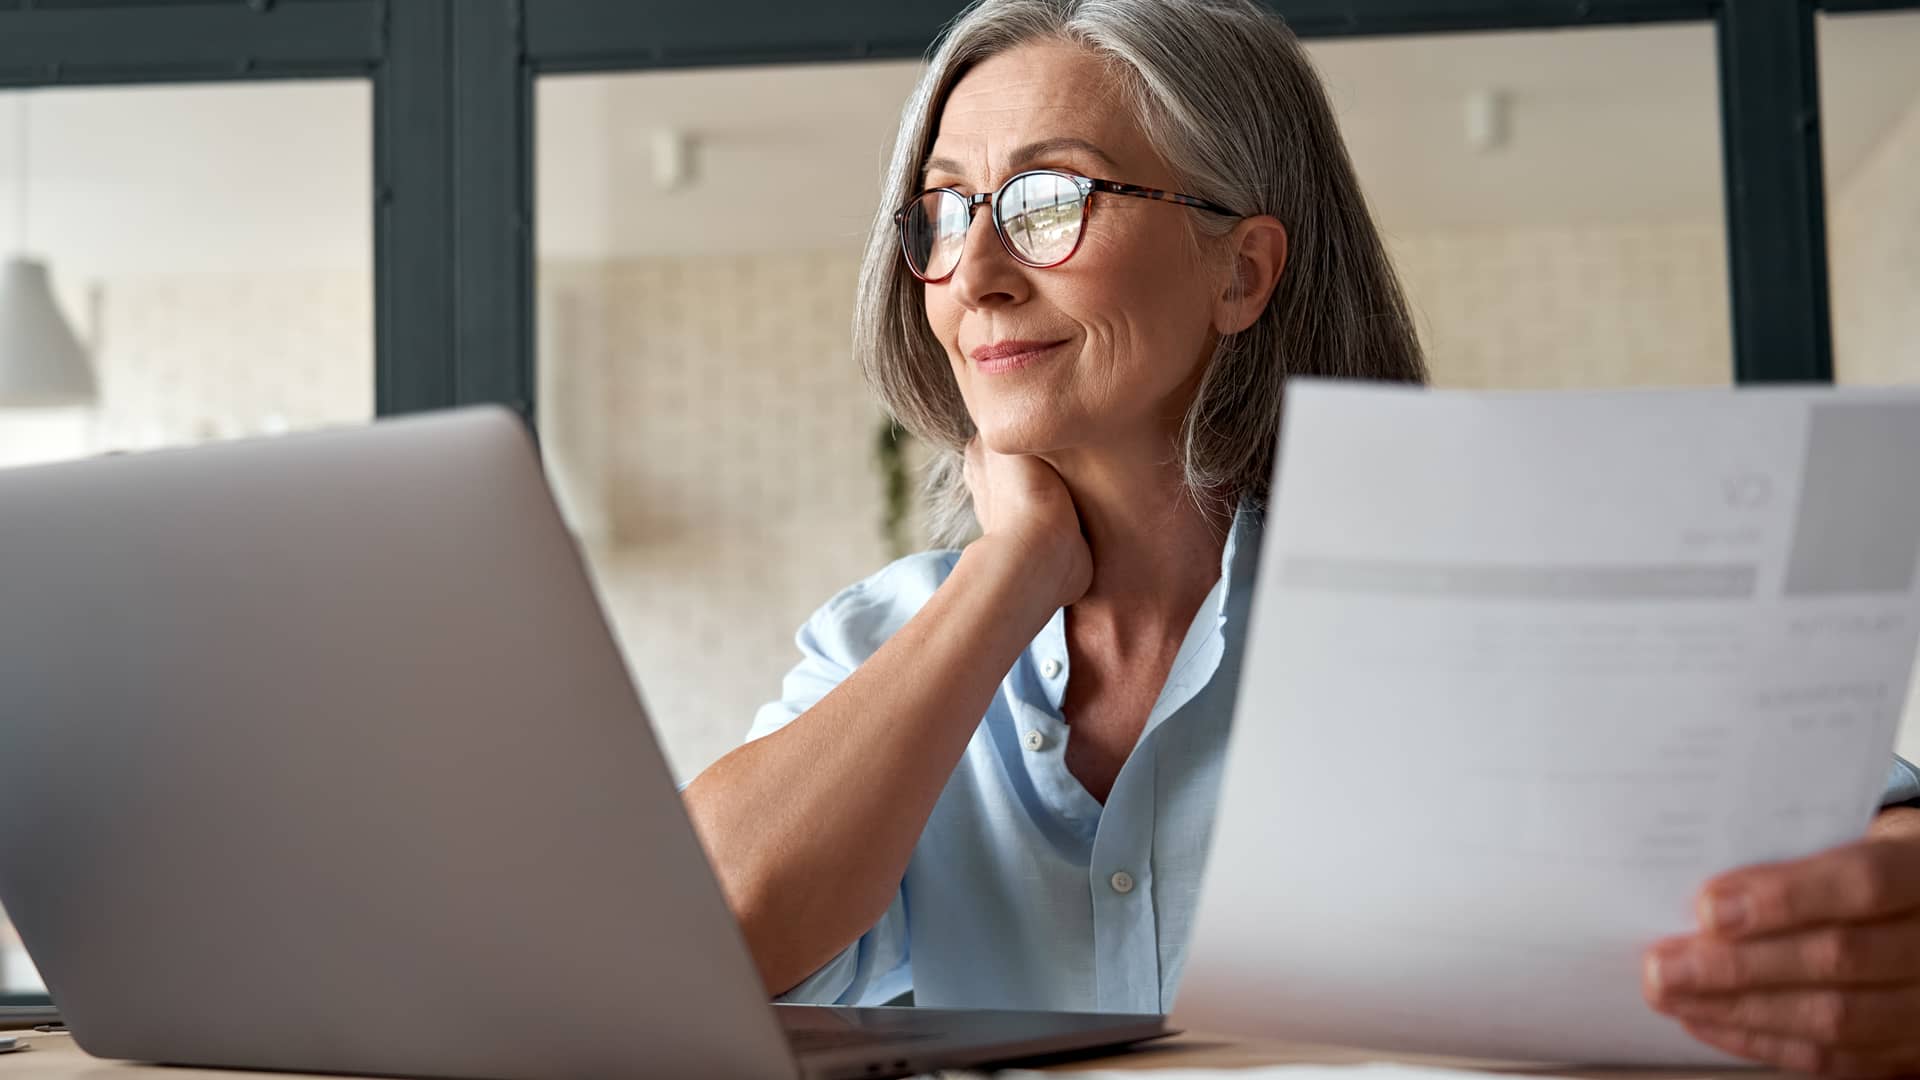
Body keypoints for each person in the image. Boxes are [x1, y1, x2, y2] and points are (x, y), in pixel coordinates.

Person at [681, 0, 1920, 1073]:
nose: (980, 271)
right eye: (945, 214)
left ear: (1243, 272)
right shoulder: (880, 643)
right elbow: (704, 934)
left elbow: (1862, 838)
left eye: (1049, 200)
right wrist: (1010, 575)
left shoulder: (1470, 596)